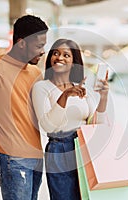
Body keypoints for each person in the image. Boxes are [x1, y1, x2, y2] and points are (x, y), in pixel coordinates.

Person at [0, 15, 48, 200]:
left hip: (35, 155)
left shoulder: (35, 72)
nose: (43, 51)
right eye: (38, 46)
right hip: (12, 156)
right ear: (21, 43)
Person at [32, 39, 109, 200]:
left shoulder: (81, 88)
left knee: (89, 196)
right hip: (59, 149)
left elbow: (96, 124)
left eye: (66, 55)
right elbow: (48, 126)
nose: (59, 57)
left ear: (74, 62)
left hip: (84, 146)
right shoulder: (42, 87)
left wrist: (103, 97)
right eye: (56, 53)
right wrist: (65, 95)